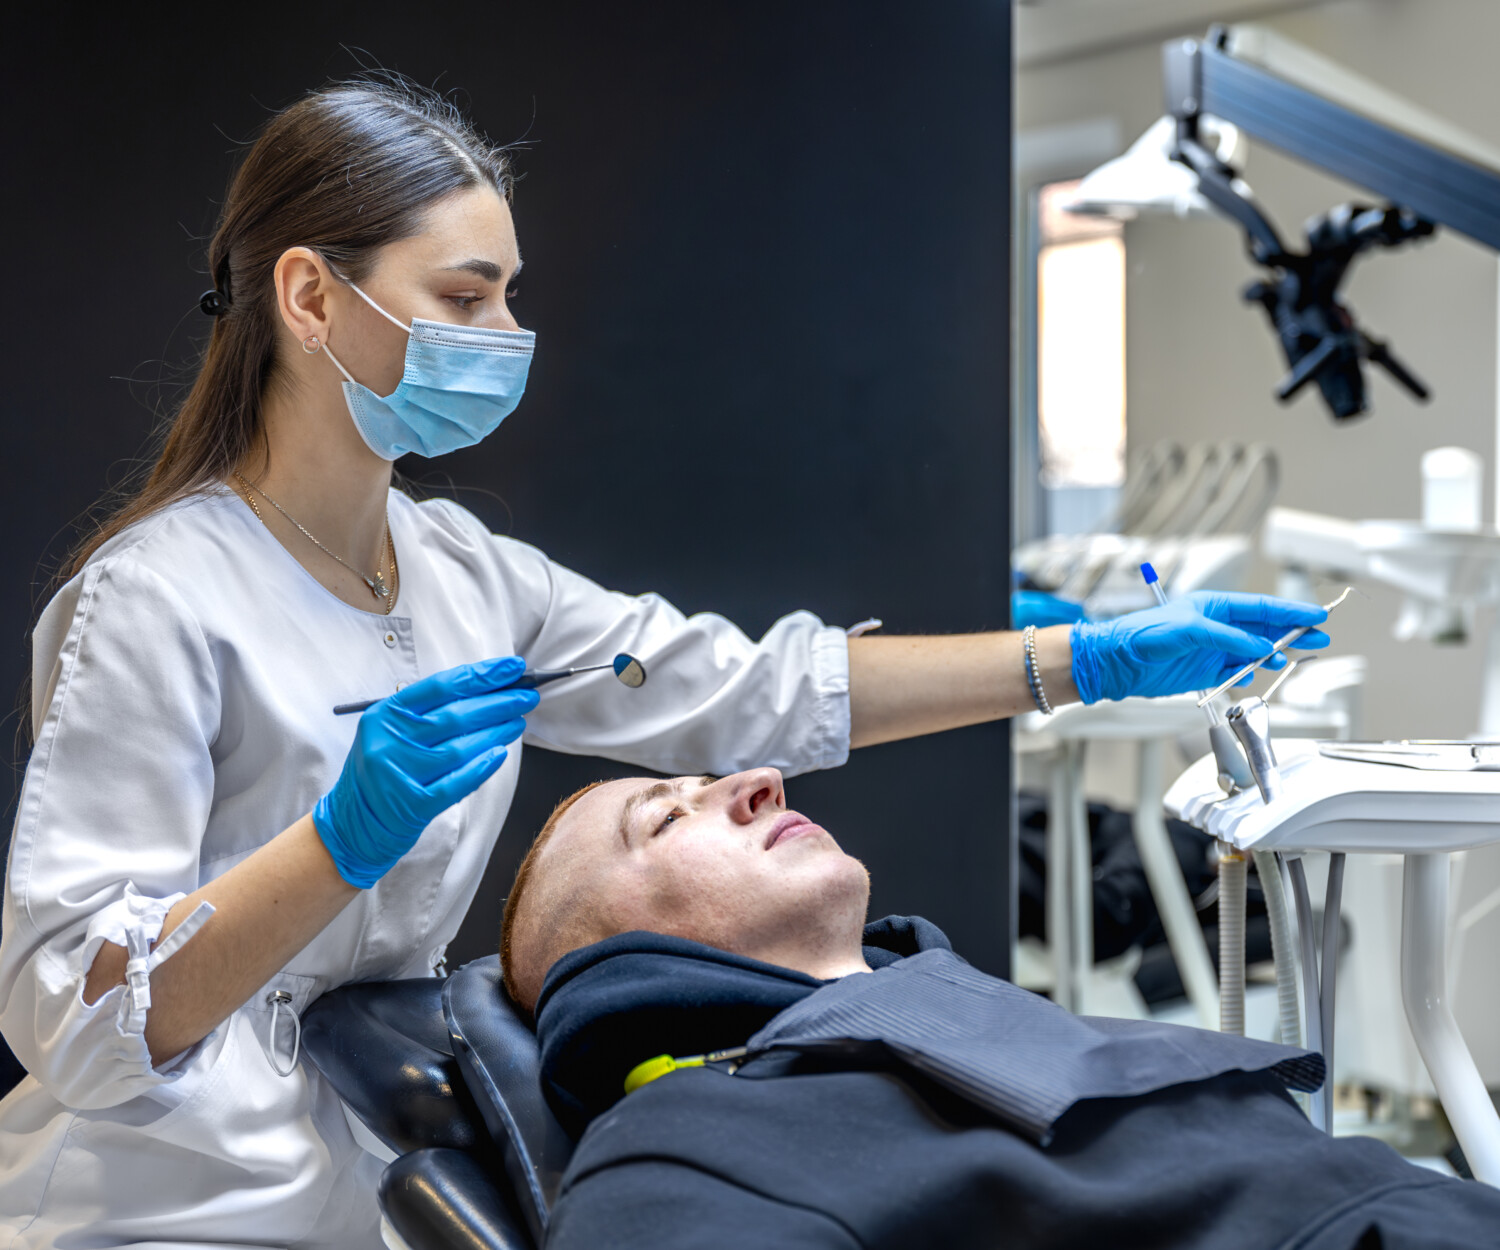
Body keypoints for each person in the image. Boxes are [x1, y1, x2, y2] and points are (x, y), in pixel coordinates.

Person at [0, 77, 1328, 1248]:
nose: (505, 331)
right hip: (157, 1207)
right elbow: (70, 1019)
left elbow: (753, 689)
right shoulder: (156, 600)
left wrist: (1079, 660)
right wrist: (335, 842)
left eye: (509, 292)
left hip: (375, 1180)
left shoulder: (467, 574)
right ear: (308, 295)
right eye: (465, 296)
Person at [505, 769, 1500, 1250]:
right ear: (615, 954)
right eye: (669, 814)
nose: (757, 781)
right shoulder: (680, 1145)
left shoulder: (926, 1033)